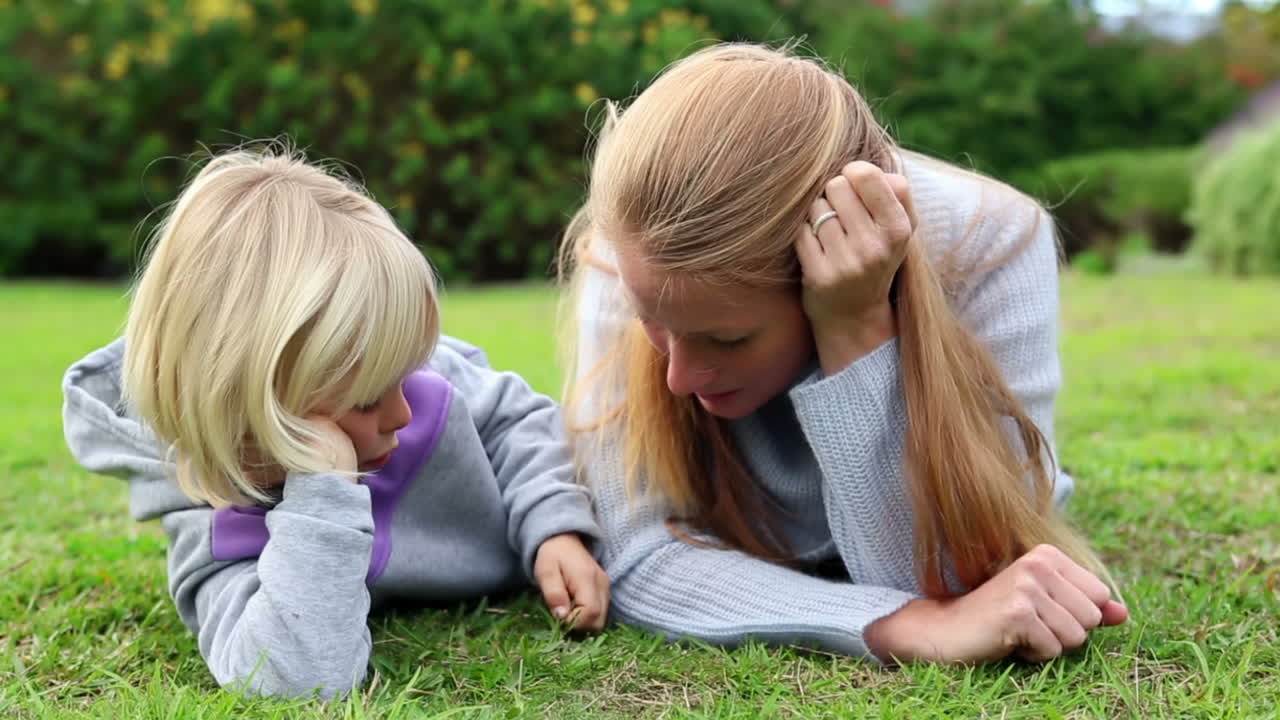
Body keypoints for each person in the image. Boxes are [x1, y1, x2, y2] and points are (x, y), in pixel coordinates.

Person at [557, 43, 1128, 665]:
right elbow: (635, 554)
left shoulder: (992, 241)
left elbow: (952, 571)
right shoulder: (637, 241)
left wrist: (855, 325)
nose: (677, 378)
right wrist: (904, 627)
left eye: (728, 339)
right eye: (652, 324)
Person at [62, 145, 609, 698]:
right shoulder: (214, 523)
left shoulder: (418, 382)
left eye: (406, 373)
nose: (403, 412)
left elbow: (520, 421)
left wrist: (554, 528)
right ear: (248, 411)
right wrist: (321, 494)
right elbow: (296, 680)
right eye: (370, 400)